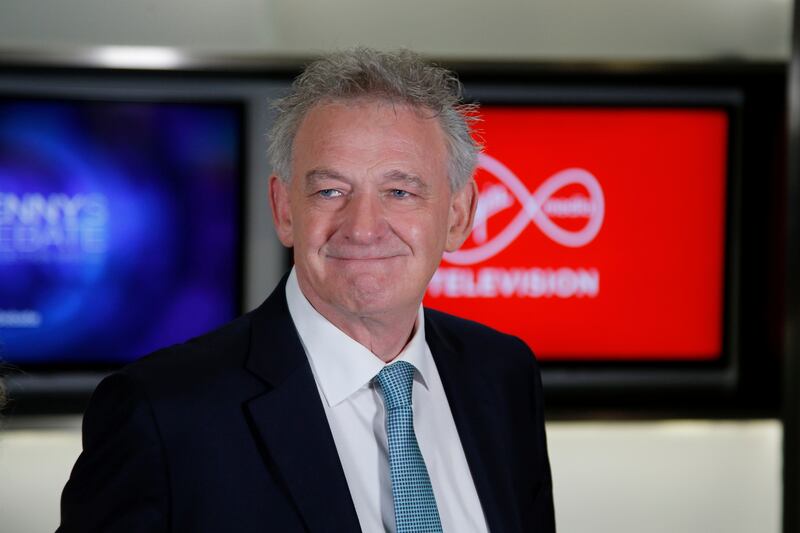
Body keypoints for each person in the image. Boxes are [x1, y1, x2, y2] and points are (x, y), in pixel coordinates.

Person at [58, 48, 555, 533]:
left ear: (458, 215)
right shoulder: (161, 413)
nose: (363, 228)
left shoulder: (504, 375)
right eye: (330, 191)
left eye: (400, 192)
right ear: (284, 210)